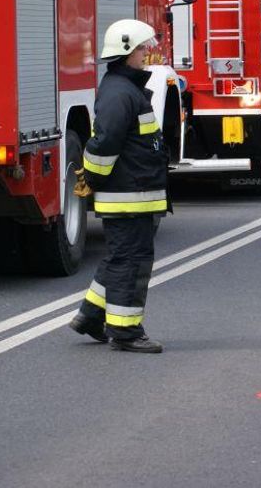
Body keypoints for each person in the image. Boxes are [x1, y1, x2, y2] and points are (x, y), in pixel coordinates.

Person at [69, 19, 170, 353]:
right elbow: (105, 143)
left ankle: (91, 316)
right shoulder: (120, 92)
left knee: (118, 258)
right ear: (127, 52)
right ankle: (125, 331)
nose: (147, 53)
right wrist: (91, 177)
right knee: (130, 263)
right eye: (143, 48)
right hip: (129, 196)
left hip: (134, 193)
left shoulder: (122, 88)